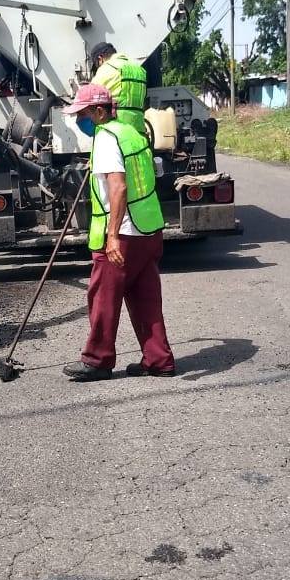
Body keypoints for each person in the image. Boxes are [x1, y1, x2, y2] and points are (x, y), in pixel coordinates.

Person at [61, 83, 175, 382]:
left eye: (82, 114)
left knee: (103, 298)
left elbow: (119, 186)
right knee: (145, 297)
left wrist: (112, 236)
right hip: (148, 230)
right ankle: (158, 360)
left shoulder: (107, 138)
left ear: (99, 111)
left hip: (123, 233)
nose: (78, 121)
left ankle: (97, 360)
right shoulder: (129, 132)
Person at [90, 42, 148, 136]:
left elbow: (89, 96)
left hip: (116, 131)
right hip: (138, 130)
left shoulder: (106, 68)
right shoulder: (140, 69)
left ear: (100, 59)